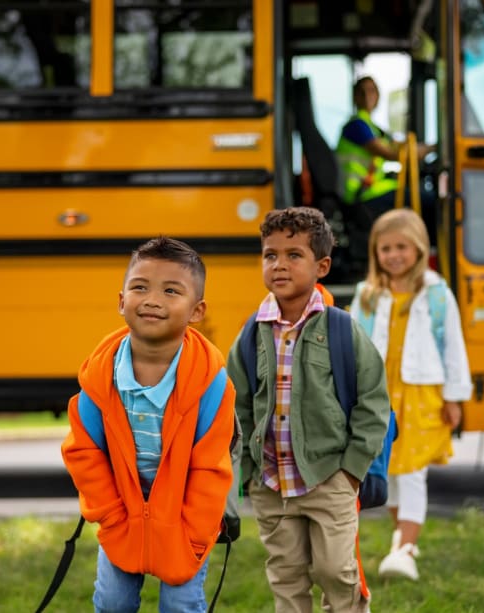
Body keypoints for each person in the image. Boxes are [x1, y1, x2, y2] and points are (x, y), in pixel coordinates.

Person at [227, 207, 390, 612]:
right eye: (270, 255)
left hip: (328, 477)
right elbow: (237, 407)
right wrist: (246, 471)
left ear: (322, 265)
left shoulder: (341, 328)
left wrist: (351, 470)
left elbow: (373, 402)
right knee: (286, 575)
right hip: (271, 482)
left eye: (293, 255)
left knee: (337, 571)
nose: (279, 265)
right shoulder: (251, 333)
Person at [61, 236, 236, 612]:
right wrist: (109, 516)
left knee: (181, 603)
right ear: (122, 300)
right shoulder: (101, 378)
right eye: (140, 287)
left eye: (171, 290)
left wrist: (195, 531)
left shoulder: (211, 384)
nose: (153, 299)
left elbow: (211, 466)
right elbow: (83, 451)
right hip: (122, 512)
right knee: (112, 602)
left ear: (196, 310)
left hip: (185, 517)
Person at [348, 208, 472, 581]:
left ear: (419, 248)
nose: (394, 255)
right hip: (380, 396)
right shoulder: (366, 295)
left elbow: (452, 346)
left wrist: (454, 397)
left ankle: (403, 549)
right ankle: (403, 543)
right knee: (393, 471)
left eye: (402, 246)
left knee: (414, 472)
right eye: (385, 248)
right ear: (375, 252)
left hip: (422, 394)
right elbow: (353, 345)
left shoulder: (436, 294)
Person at [336, 76, 436, 236]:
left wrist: (432, 147)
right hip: (362, 194)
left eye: (372, 91)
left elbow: (401, 145)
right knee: (433, 203)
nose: (368, 95)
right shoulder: (356, 126)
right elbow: (392, 153)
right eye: (362, 92)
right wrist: (431, 149)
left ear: (378, 97)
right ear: (355, 97)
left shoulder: (373, 128)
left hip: (372, 188)